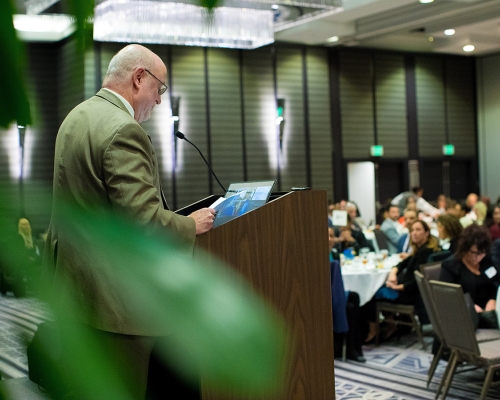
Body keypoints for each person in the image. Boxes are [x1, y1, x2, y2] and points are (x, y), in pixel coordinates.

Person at [43, 44, 215, 399]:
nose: (159, 101)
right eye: (160, 88)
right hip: (117, 308)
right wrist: (191, 224)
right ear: (139, 78)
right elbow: (144, 223)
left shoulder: (76, 117)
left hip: (75, 295)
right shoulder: (124, 130)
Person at [364, 220, 440, 342]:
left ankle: (374, 331)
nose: (414, 233)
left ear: (427, 233)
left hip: (411, 295)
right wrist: (393, 272)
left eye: (418, 230)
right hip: (413, 292)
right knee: (380, 289)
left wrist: (397, 287)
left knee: (371, 295)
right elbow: (403, 263)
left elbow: (417, 281)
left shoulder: (424, 253)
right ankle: (392, 326)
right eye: (412, 230)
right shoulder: (420, 249)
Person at [440, 224, 499, 327]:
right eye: (474, 253)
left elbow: (496, 282)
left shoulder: (486, 261)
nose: (478, 257)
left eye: (482, 253)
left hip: (490, 313)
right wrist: (468, 306)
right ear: (465, 248)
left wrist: (493, 299)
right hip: (463, 318)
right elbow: (447, 296)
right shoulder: (451, 266)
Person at [328, 228, 365, 362]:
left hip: (335, 292)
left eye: (332, 236)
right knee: (351, 305)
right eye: (326, 236)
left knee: (354, 300)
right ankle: (351, 348)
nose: (329, 239)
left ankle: (354, 347)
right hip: (325, 297)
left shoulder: (334, 254)